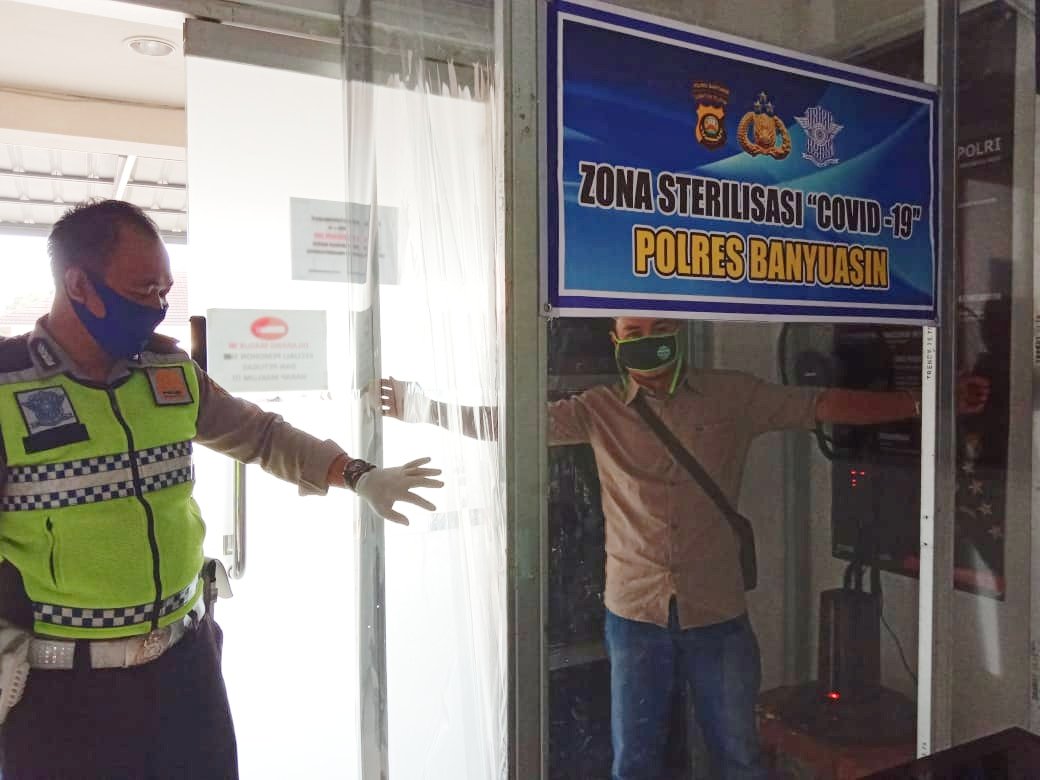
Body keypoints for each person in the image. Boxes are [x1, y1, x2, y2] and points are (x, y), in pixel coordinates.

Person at [381, 316, 989, 780]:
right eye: (633, 333)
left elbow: (821, 404)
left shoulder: (732, 396)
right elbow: (507, 423)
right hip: (634, 619)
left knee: (739, 756)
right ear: (616, 340)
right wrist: (423, 407)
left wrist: (927, 401)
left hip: (716, 616)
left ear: (679, 333)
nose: (647, 342)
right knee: (635, 763)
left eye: (659, 329)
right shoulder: (597, 411)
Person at [0, 200, 443, 779]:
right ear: (78, 284)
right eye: (142, 290)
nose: (157, 307)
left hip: (186, 671)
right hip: (62, 693)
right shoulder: (8, 387)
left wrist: (357, 475)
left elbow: (260, 434)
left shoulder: (168, 373)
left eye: (165, 290)